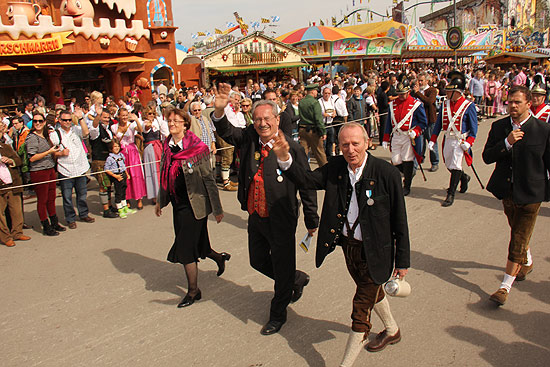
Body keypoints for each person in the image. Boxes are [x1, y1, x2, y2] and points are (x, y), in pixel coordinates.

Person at [271, 123, 410, 366]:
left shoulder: (386, 173)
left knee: (360, 309)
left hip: (377, 253)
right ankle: (392, 330)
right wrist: (285, 157)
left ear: (367, 143)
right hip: (349, 248)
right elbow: (306, 180)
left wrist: (403, 261)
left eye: (356, 143)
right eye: (345, 144)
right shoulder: (336, 167)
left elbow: (400, 220)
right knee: (372, 293)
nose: (350, 149)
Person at [211, 84, 319, 335]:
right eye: (257, 119)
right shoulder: (249, 137)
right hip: (255, 214)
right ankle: (295, 279)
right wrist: (219, 111)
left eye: (267, 119)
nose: (262, 123)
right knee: (257, 261)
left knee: (281, 266)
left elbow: (306, 185)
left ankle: (277, 313)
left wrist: (312, 218)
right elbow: (227, 131)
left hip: (281, 216)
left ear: (277, 119)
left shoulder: (292, 147)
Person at [482, 86, 550, 306]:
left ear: (528, 103)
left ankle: (504, 286)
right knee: (517, 230)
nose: (512, 106)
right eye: (510, 101)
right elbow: (487, 157)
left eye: (517, 102)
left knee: (518, 237)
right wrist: (506, 143)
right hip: (507, 191)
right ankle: (526, 261)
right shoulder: (499, 127)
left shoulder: (543, 130)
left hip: (532, 194)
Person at [155, 108, 230, 308]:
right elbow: (164, 173)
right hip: (178, 204)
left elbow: (208, 178)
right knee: (200, 244)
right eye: (169, 121)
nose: (172, 124)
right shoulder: (167, 145)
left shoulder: (198, 148)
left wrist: (217, 208)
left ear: (185, 124)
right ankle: (219, 257)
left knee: (186, 247)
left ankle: (193, 291)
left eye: (176, 121)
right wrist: (160, 201)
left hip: (195, 204)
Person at [429, 71, 478, 207]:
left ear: (458, 92)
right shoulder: (445, 105)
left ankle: (451, 193)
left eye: (450, 92)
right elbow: (439, 124)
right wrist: (433, 139)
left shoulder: (468, 106)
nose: (447, 94)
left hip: (460, 140)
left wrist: (469, 142)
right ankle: (464, 177)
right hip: (448, 139)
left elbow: (474, 128)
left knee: (456, 165)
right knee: (450, 165)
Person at [50, 110, 95, 229]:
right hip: (65, 169)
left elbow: (86, 133)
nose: (67, 122)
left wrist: (80, 119)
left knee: (82, 194)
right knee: (67, 196)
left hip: (80, 167)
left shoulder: (76, 129)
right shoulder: (55, 134)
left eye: (69, 120)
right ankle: (70, 218)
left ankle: (84, 214)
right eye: (64, 120)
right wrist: (60, 153)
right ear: (60, 120)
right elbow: (51, 153)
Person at [382, 79, 428, 196]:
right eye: (399, 94)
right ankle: (408, 174)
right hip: (397, 135)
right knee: (396, 160)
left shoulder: (416, 104)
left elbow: (423, 122)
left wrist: (416, 131)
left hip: (408, 136)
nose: (401, 96)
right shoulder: (392, 105)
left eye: (403, 93)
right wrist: (385, 138)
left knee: (407, 160)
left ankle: (407, 185)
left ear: (408, 92)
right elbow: (389, 123)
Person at [25, 111, 66, 236]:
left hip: (49, 169)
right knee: (42, 200)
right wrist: (49, 151)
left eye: (40, 121)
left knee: (51, 198)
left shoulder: (45, 135)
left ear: (44, 123)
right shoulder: (32, 137)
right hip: (39, 171)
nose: (38, 123)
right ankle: (45, 225)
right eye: (35, 121)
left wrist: (55, 151)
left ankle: (54, 221)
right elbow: (32, 157)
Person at [111, 108, 147, 209]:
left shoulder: (131, 125)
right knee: (124, 175)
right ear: (118, 116)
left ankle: (139, 198)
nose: (125, 117)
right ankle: (126, 198)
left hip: (132, 151)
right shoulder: (114, 127)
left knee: (136, 174)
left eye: (126, 115)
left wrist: (136, 120)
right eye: (123, 115)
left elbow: (140, 130)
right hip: (121, 153)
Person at [0, 136, 31, 247]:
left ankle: (17, 233)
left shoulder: (5, 147)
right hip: (1, 187)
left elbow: (18, 160)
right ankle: (5, 237)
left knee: (17, 211)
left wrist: (10, 160)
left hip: (13, 184)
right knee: (0, 215)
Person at [411, 72, 440, 172]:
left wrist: (418, 93)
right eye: (418, 80)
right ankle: (418, 161)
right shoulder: (415, 91)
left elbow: (429, 101)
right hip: (419, 121)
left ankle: (435, 162)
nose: (419, 82)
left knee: (431, 142)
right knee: (419, 143)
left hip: (429, 121)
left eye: (421, 80)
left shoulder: (431, 90)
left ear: (427, 81)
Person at [104, 140, 136, 218]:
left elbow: (123, 166)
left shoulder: (121, 155)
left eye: (118, 146)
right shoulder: (110, 158)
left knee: (123, 191)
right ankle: (120, 209)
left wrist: (127, 174)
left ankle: (125, 207)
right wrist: (115, 176)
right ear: (111, 148)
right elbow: (106, 169)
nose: (117, 148)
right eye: (115, 146)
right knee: (118, 193)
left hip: (123, 174)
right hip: (117, 176)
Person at [298, 84, 327, 167]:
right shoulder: (315, 102)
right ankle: (325, 171)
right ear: (313, 91)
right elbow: (318, 119)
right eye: (316, 91)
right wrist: (323, 131)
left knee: (303, 154)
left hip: (302, 129)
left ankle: (302, 171)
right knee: (319, 153)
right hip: (313, 131)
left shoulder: (301, 102)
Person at [141, 106, 165, 203]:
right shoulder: (144, 123)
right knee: (152, 171)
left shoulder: (157, 122)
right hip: (150, 148)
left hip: (158, 147)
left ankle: (162, 193)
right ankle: (154, 195)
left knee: (160, 170)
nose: (151, 115)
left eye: (153, 113)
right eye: (149, 113)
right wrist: (149, 124)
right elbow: (146, 128)